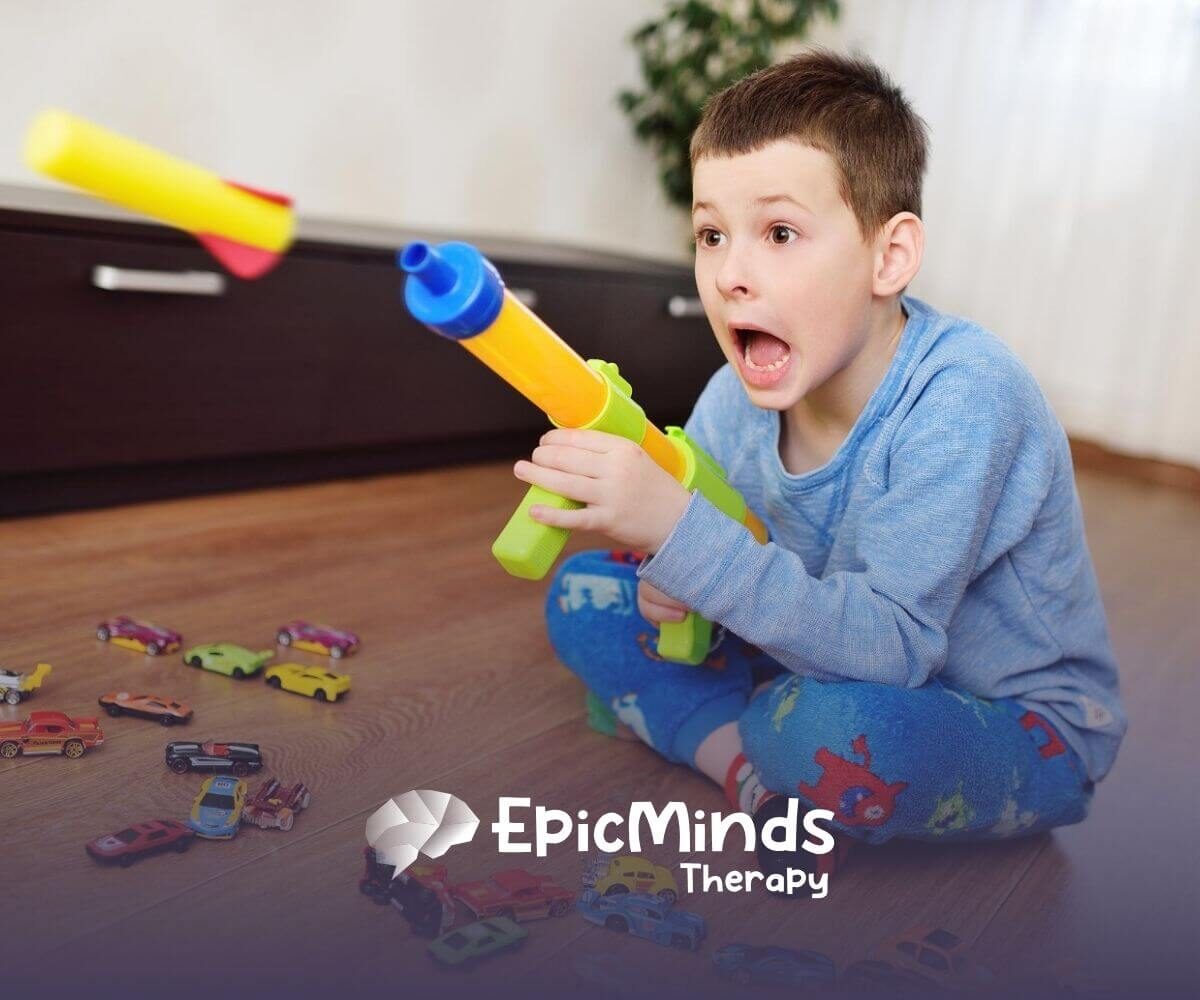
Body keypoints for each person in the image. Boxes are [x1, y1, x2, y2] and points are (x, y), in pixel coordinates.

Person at [515, 50, 1125, 880]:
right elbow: (711, 560)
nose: (730, 275)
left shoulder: (964, 399)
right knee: (586, 599)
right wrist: (670, 574)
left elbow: (896, 650)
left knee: (826, 734)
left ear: (889, 257)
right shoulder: (732, 397)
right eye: (710, 234)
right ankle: (747, 767)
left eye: (779, 233)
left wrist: (685, 539)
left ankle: (739, 735)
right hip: (814, 658)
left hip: (1014, 719)